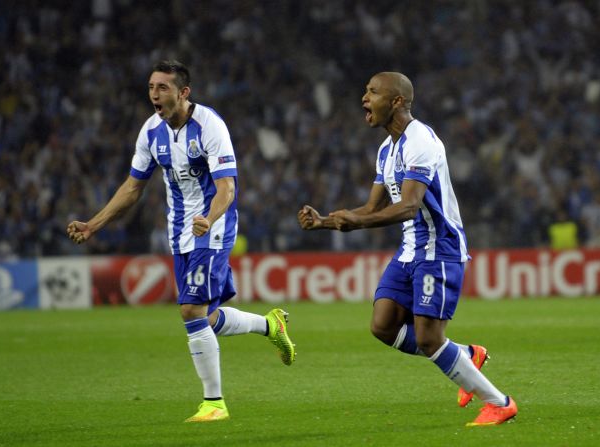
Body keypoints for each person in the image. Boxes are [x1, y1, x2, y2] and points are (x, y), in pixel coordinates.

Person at [67, 60, 296, 422]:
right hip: (180, 233)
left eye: (162, 88)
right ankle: (270, 326)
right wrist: (94, 224)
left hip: (213, 228)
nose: (154, 94)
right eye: (151, 87)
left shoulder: (210, 126)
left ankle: (214, 403)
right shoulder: (150, 131)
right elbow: (132, 187)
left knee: (190, 311)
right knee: (209, 316)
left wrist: (209, 217)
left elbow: (227, 187)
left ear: (183, 92)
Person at [297, 72, 517, 427]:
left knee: (430, 339)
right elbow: (370, 209)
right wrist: (325, 221)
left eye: (372, 92)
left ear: (396, 101)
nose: (364, 99)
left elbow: (409, 206)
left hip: (439, 248)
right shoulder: (386, 150)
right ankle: (465, 355)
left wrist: (358, 224)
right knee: (383, 326)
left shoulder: (421, 142)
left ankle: (499, 402)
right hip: (410, 249)